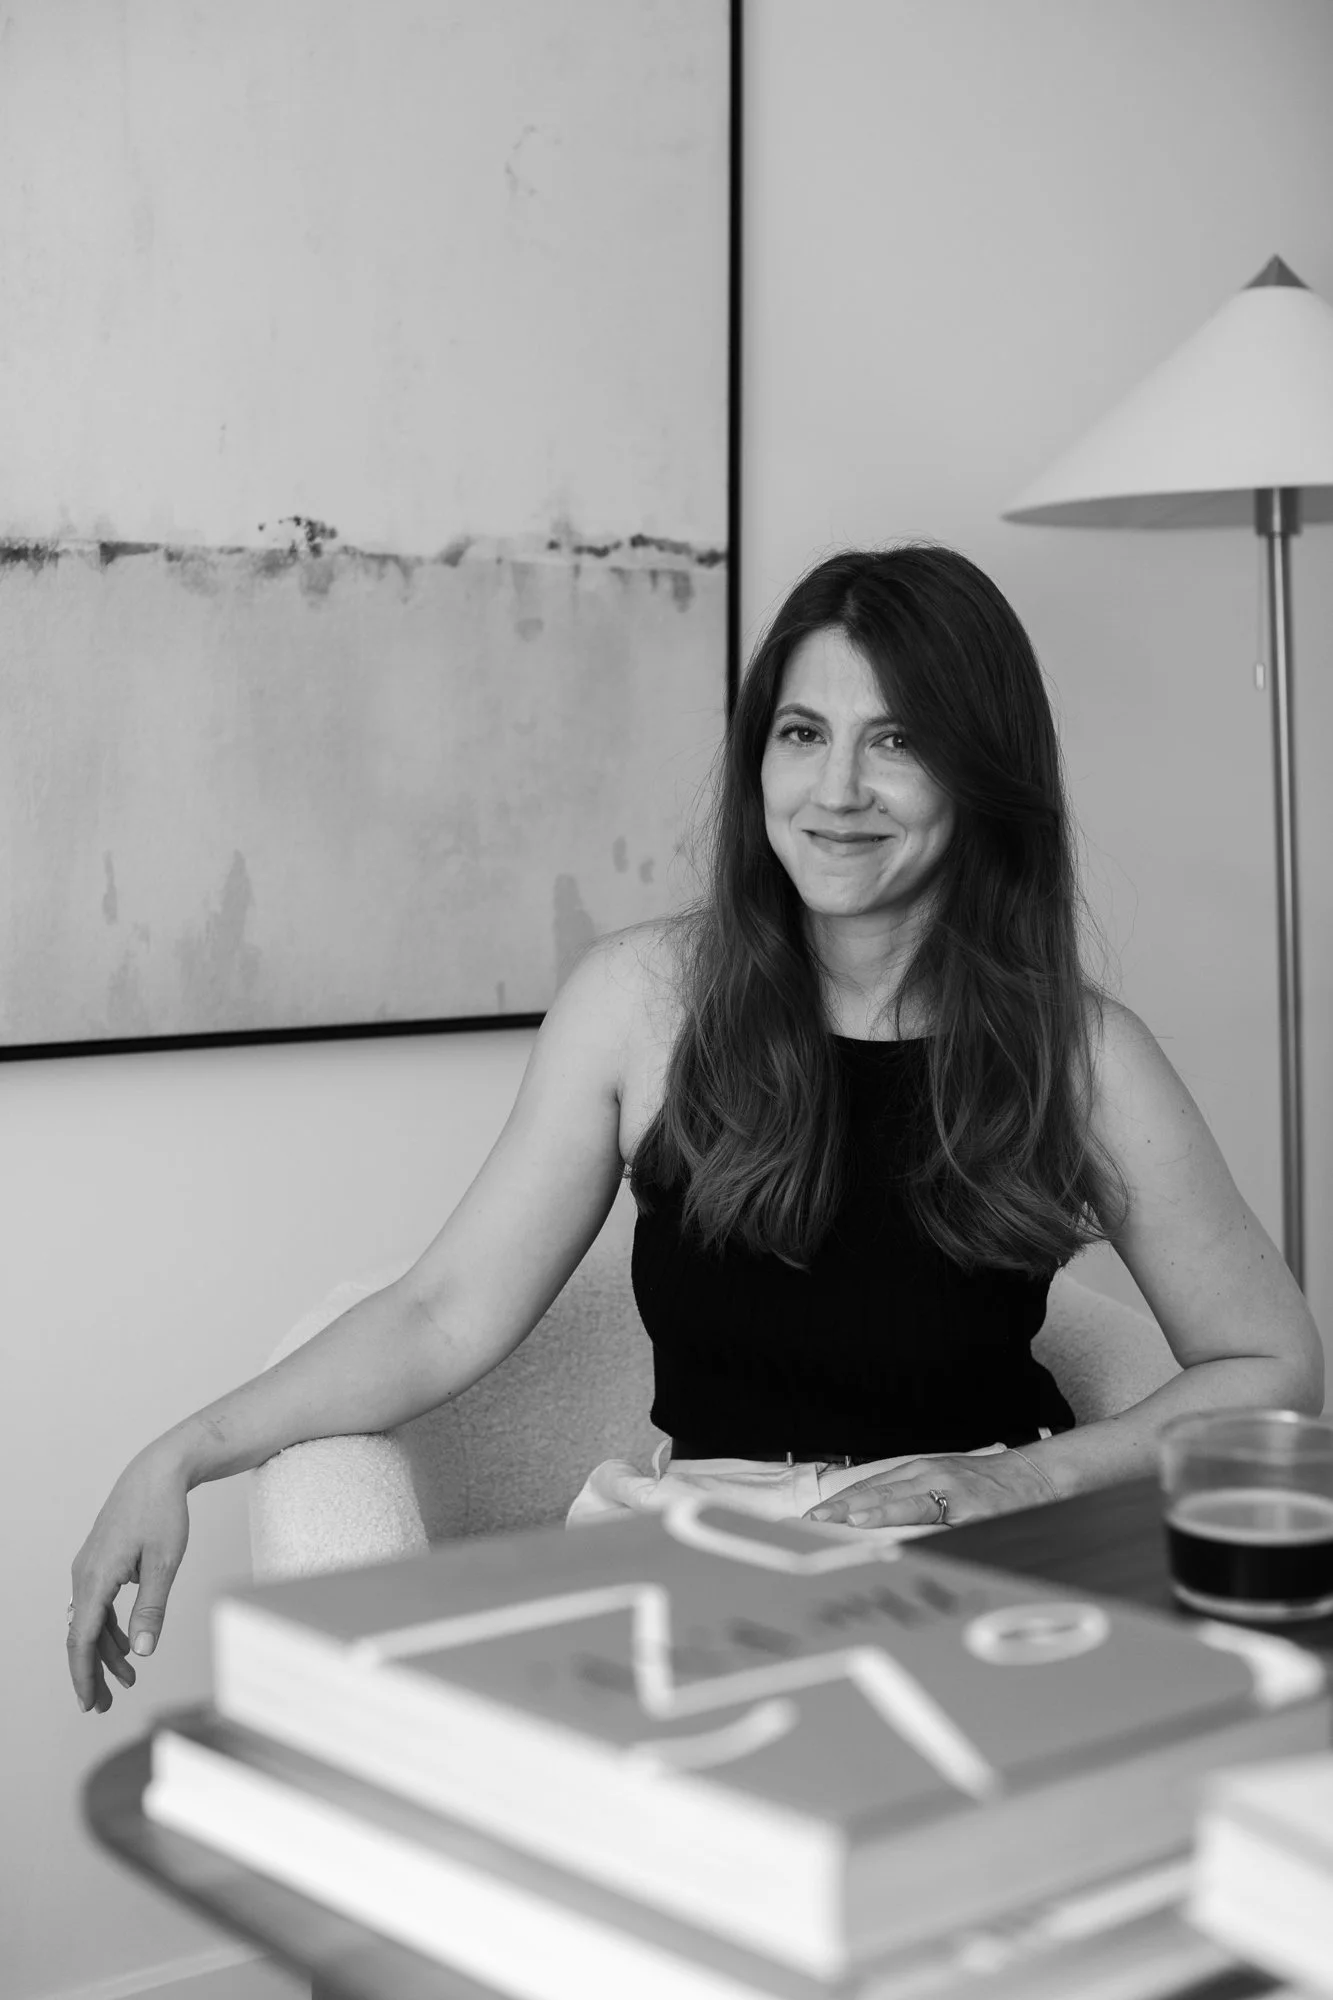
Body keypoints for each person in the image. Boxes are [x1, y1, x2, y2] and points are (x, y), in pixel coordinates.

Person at [68, 542, 1323, 1715]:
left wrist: (1019, 1479)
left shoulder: (1083, 1054)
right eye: (802, 732)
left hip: (989, 1556)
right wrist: (183, 1451)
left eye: (895, 738)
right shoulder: (639, 1004)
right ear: (758, 762)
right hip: (700, 1559)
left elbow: (1268, 1365)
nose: (836, 788)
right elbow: (441, 1310)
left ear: (980, 771)